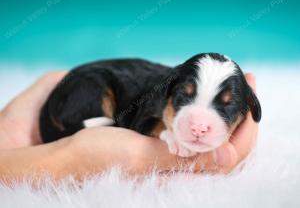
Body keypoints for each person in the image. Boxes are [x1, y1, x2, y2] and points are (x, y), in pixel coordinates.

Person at [0, 72, 258, 183]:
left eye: (224, 106)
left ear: (250, 107)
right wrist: (72, 157)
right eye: (184, 99)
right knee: (95, 93)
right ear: (168, 94)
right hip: (92, 85)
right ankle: (81, 124)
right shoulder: (159, 97)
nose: (200, 126)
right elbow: (144, 122)